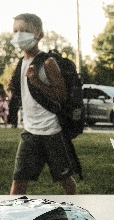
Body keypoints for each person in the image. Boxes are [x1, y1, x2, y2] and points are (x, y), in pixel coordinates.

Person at [8, 13, 77, 195]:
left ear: (39, 35)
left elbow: (62, 95)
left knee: (66, 181)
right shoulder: (20, 63)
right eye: (16, 31)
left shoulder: (48, 62)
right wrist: (12, 88)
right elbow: (26, 97)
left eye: (25, 30)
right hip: (30, 132)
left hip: (52, 131)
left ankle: (79, 213)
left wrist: (37, 81)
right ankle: (15, 218)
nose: (19, 35)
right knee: (19, 182)